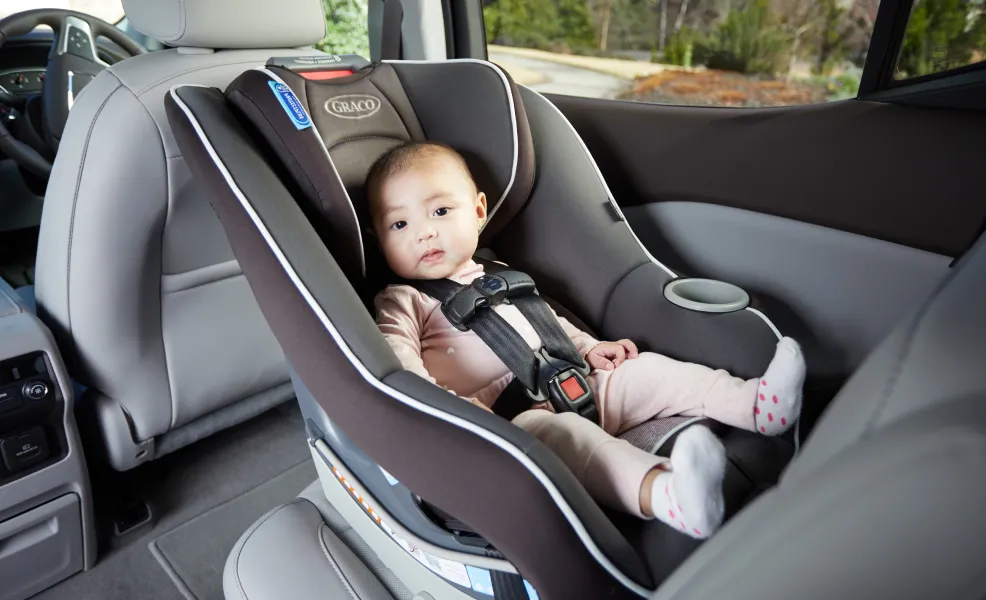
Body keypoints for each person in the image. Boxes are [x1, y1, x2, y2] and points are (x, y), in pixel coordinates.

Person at [367, 141, 805, 538]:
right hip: (510, 426)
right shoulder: (404, 299)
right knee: (569, 438)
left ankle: (756, 406)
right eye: (399, 224)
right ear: (379, 239)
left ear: (479, 211)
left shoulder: (497, 273)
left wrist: (589, 348)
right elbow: (401, 367)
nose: (423, 232)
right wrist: (459, 418)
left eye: (440, 212)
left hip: (576, 382)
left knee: (648, 372)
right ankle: (669, 495)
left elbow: (545, 323)